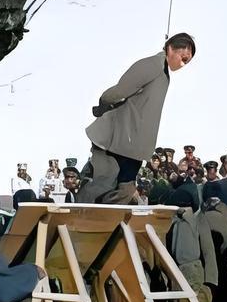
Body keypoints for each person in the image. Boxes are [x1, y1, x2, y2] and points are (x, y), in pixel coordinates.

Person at [76, 33, 196, 204]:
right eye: (183, 58)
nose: (183, 64)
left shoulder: (163, 73)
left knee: (125, 190)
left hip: (134, 146)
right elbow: (119, 91)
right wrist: (103, 103)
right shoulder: (151, 65)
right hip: (115, 138)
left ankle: (101, 225)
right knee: (103, 184)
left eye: (187, 62)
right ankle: (77, 216)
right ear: (170, 48)